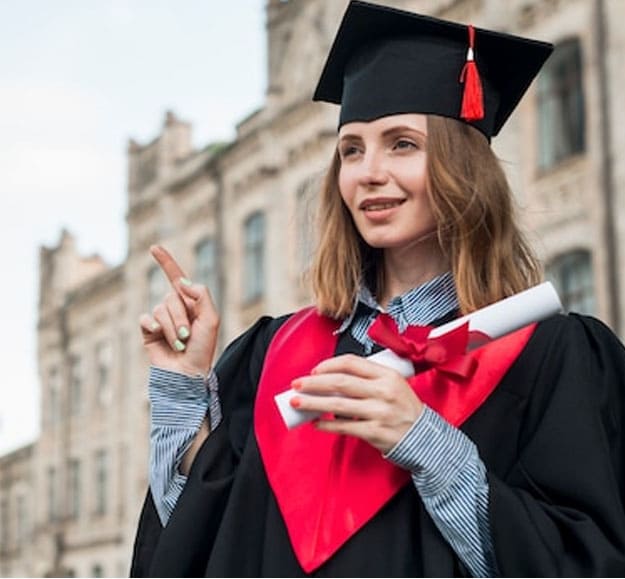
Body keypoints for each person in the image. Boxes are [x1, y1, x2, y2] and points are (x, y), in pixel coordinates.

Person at [131, 1, 625, 576]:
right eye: (351, 149)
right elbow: (203, 538)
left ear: (461, 167)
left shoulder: (549, 357)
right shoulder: (278, 354)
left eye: (402, 144)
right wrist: (184, 383)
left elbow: (586, 562)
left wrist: (424, 442)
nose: (368, 172)